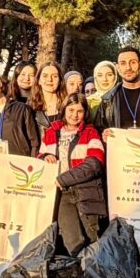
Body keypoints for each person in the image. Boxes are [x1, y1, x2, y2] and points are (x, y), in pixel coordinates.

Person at [39, 93, 107, 253]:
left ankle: (94, 276)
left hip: (86, 192)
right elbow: (39, 161)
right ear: (63, 110)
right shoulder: (51, 132)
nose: (74, 115)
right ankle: (80, 275)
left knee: (93, 241)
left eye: (79, 111)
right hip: (61, 195)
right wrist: (45, 157)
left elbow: (94, 164)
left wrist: (64, 178)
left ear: (85, 113)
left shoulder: (91, 133)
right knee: (73, 242)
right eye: (71, 110)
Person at [30, 62, 66, 136]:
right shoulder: (30, 107)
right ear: (39, 80)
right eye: (45, 76)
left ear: (60, 81)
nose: (50, 79)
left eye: (55, 76)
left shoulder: (68, 105)